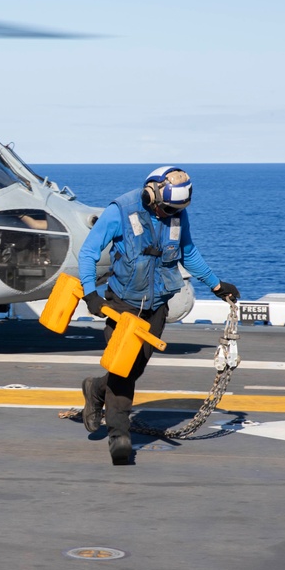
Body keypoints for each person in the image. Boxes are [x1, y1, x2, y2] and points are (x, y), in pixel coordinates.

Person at [77, 166, 239, 465]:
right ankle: (119, 437)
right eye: (165, 208)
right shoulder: (120, 211)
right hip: (123, 305)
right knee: (124, 370)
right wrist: (90, 294)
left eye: (174, 210)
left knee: (133, 369)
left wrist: (216, 284)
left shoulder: (177, 213)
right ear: (150, 195)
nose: (168, 214)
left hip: (157, 305)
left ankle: (96, 389)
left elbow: (187, 252)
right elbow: (88, 252)